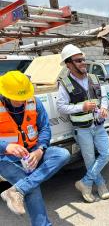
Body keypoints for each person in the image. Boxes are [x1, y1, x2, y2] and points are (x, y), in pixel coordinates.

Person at [0, 71, 70, 226]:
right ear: (4, 93)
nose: (22, 101)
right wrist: (7, 146)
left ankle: (17, 190)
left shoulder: (34, 102)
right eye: (17, 98)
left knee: (62, 154)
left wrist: (40, 150)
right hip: (4, 158)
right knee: (34, 188)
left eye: (24, 96)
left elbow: (45, 128)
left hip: (32, 152)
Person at [57, 44, 109, 203]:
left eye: (83, 59)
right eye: (79, 60)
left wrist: (104, 108)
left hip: (99, 125)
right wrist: (82, 106)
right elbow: (61, 107)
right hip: (82, 129)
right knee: (89, 159)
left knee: (107, 153)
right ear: (69, 64)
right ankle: (101, 184)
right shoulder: (65, 83)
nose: (83, 63)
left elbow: (104, 97)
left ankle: (85, 182)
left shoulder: (94, 78)